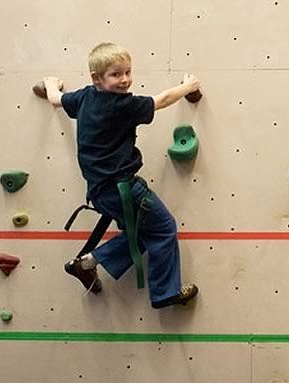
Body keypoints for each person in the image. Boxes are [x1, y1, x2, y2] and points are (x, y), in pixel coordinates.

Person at [43, 42, 200, 309]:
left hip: (100, 193)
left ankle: (87, 263)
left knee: (145, 231)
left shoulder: (83, 97)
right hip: (124, 189)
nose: (125, 80)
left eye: (128, 72)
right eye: (116, 74)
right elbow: (160, 101)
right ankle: (165, 293)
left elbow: (57, 100)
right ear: (97, 78)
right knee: (163, 228)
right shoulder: (122, 105)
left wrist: (50, 85)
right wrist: (188, 86)